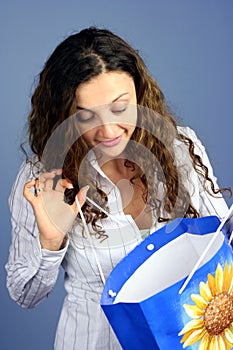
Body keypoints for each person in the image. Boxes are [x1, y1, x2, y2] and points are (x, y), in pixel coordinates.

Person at [6, 26, 231, 349]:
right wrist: (50, 242)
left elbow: (226, 245)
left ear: (140, 92)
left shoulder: (180, 148)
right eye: (86, 116)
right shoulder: (44, 180)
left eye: (120, 107)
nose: (108, 130)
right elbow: (24, 295)